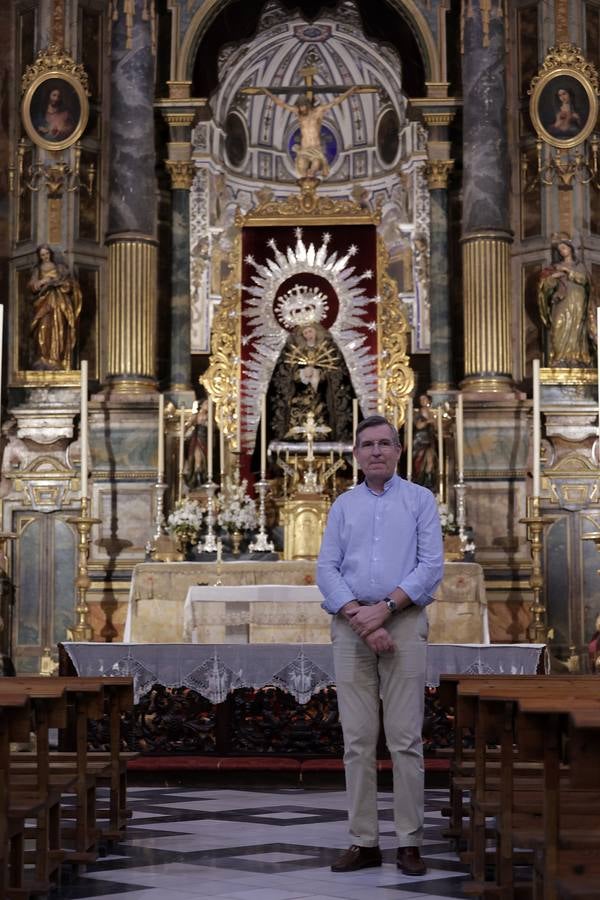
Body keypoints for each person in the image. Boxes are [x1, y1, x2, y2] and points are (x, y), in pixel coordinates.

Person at [317, 415, 443, 876]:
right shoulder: (343, 505)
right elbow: (326, 569)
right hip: (352, 627)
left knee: (406, 739)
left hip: (404, 623)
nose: (376, 451)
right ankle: (364, 840)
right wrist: (361, 617)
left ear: (398, 450)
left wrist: (385, 609)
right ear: (355, 453)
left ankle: (409, 841)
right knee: (357, 740)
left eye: (384, 443)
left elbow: (431, 566)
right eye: (367, 444)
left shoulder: (420, 500)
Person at [270, 320, 353, 442]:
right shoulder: (294, 351)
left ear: (316, 331)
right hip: (300, 398)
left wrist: (319, 374)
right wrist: (302, 374)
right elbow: (286, 375)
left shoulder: (330, 349)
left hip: (321, 397)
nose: (308, 335)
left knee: (322, 415)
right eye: (305, 332)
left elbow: (337, 375)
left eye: (310, 331)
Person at [248, 86, 359, 178]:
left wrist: (350, 92)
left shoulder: (318, 112)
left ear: (307, 105)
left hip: (316, 150)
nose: (301, 110)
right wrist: (267, 93)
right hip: (304, 150)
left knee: (313, 170)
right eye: (299, 108)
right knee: (301, 172)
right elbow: (281, 104)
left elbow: (336, 101)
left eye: (302, 107)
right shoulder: (299, 114)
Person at [538, 235, 593, 368]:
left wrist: (569, 272)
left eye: (564, 248)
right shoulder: (555, 267)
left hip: (577, 300)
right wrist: (554, 277)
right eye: (560, 249)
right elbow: (545, 287)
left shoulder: (579, 266)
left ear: (571, 249)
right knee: (558, 326)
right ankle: (559, 357)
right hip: (561, 301)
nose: (562, 251)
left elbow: (585, 281)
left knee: (576, 327)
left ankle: (575, 357)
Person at [28, 244, 82, 370]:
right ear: (39, 256)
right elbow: (32, 286)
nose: (45, 257)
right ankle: (43, 357)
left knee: (58, 328)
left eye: (47, 254)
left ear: (51, 254)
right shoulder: (37, 269)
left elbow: (70, 284)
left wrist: (56, 282)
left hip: (59, 302)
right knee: (43, 328)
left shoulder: (60, 268)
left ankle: (57, 358)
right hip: (43, 301)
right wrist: (40, 282)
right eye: (42, 255)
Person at [412, 394, 438, 491]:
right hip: (420, 440)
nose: (422, 401)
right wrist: (428, 422)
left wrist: (434, 422)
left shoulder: (431, 413)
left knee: (430, 461)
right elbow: (418, 426)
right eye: (420, 399)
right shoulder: (418, 413)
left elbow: (436, 426)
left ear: (429, 401)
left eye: (424, 399)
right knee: (419, 461)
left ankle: (428, 482)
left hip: (430, 440)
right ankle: (420, 480)